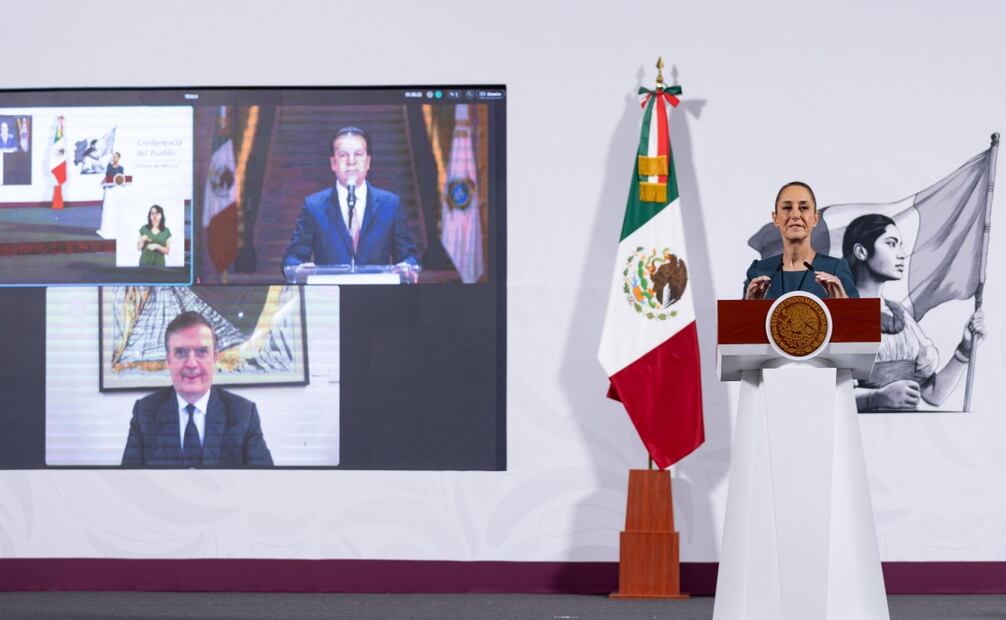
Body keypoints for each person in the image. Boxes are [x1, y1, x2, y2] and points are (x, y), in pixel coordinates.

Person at [842, 214, 986, 411]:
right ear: (861, 251)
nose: (901, 254)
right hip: (864, 434)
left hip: (907, 433)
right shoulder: (844, 313)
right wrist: (876, 398)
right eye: (891, 244)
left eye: (900, 245)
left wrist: (965, 348)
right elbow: (832, 398)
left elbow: (933, 394)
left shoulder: (899, 314)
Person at [121, 311, 273, 467]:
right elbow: (129, 483)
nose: (192, 364)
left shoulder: (243, 413)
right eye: (180, 353)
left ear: (214, 358)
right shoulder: (145, 413)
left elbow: (265, 482)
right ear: (168, 361)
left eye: (202, 352)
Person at [282, 126, 419, 278]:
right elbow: (292, 259)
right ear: (333, 163)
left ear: (368, 162)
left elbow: (409, 257)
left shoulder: (390, 204)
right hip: (331, 296)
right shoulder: (314, 206)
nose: (351, 162)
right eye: (343, 155)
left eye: (358, 154)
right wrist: (299, 269)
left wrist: (407, 267)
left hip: (377, 296)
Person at [743, 181, 858, 300]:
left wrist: (844, 304)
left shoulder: (835, 269)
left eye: (803, 208)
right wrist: (749, 307)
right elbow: (740, 317)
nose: (795, 215)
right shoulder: (758, 272)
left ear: (815, 218)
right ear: (775, 218)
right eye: (787, 208)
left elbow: (861, 316)